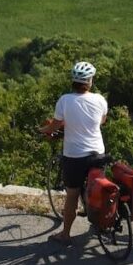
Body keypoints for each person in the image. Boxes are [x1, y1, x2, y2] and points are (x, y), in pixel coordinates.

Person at [39, 60, 108, 246]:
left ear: (74, 81)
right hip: (98, 153)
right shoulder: (100, 100)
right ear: (90, 81)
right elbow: (101, 121)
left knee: (72, 194)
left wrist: (43, 130)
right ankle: (101, 221)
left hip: (74, 156)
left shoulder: (64, 100)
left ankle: (65, 234)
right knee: (97, 187)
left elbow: (55, 125)